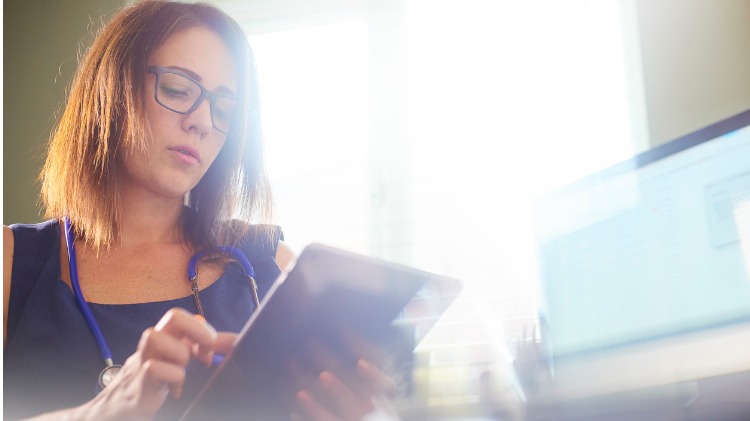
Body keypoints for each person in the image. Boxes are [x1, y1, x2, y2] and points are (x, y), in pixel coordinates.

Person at [3, 1, 392, 419]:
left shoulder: (270, 264)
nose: (203, 121)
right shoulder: (11, 262)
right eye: (177, 89)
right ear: (110, 91)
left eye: (223, 109)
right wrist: (104, 411)